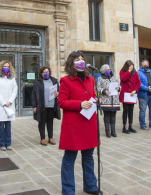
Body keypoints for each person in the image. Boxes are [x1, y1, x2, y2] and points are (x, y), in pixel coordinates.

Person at [58, 51, 102, 195]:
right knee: (69, 159)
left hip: (89, 124)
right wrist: (79, 104)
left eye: (82, 59)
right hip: (74, 127)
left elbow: (93, 96)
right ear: (72, 63)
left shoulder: (91, 79)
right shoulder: (65, 80)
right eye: (77, 59)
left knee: (88, 157)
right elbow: (62, 102)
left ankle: (90, 186)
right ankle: (68, 190)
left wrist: (96, 101)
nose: (81, 61)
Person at [31, 66, 60, 146]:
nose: (46, 73)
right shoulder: (37, 82)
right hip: (42, 106)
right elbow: (33, 94)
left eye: (47, 72)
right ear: (41, 73)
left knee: (50, 122)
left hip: (51, 105)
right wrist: (34, 106)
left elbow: (59, 91)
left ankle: (50, 137)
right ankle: (42, 138)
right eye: (44, 72)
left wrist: (58, 93)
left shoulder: (54, 81)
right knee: (42, 122)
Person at [0, 60, 18, 151]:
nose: (6, 68)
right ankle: (2, 143)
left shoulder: (12, 78)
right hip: (1, 105)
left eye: (8, 66)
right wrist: (4, 102)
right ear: (1, 67)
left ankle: (8, 143)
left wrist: (10, 101)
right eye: (4, 66)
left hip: (9, 105)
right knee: (1, 125)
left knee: (8, 125)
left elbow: (15, 90)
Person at [97, 64, 121, 138]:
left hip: (114, 101)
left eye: (109, 69)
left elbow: (119, 86)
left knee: (113, 117)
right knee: (107, 117)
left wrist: (118, 88)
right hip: (106, 101)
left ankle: (113, 131)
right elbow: (98, 88)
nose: (109, 70)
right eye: (107, 69)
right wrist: (104, 91)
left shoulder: (114, 77)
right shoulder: (100, 79)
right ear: (103, 70)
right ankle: (107, 131)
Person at [137, 60, 151, 130]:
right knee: (143, 110)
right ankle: (142, 124)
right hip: (143, 95)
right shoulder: (139, 73)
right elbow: (139, 83)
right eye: (144, 65)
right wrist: (147, 88)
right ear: (141, 66)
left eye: (147, 64)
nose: (146, 66)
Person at [119, 60, 141, 134]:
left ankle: (130, 125)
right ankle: (124, 126)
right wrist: (129, 71)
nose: (132, 67)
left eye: (132, 66)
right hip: (125, 94)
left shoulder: (135, 73)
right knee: (125, 110)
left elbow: (138, 82)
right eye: (130, 66)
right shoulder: (122, 72)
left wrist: (135, 90)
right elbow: (124, 79)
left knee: (131, 111)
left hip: (132, 94)